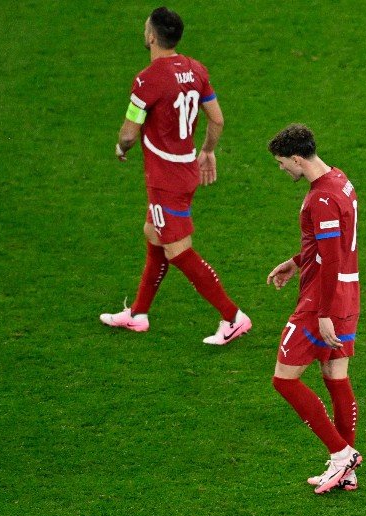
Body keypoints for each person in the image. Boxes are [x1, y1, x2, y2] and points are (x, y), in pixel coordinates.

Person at [101, 6, 250, 345]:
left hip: (164, 179)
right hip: (184, 168)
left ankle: (233, 317)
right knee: (154, 234)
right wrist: (208, 150)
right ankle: (138, 314)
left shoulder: (147, 80)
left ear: (152, 36)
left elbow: (128, 133)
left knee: (178, 251)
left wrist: (123, 148)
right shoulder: (196, 70)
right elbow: (217, 119)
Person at [265, 124, 362, 495]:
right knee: (335, 375)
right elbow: (330, 245)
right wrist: (296, 260)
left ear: (296, 158)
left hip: (322, 299)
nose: (282, 170)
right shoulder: (340, 179)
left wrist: (322, 312)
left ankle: (341, 454)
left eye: (281, 164)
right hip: (348, 293)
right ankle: (346, 469)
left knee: (284, 379)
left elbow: (332, 257)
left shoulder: (320, 199)